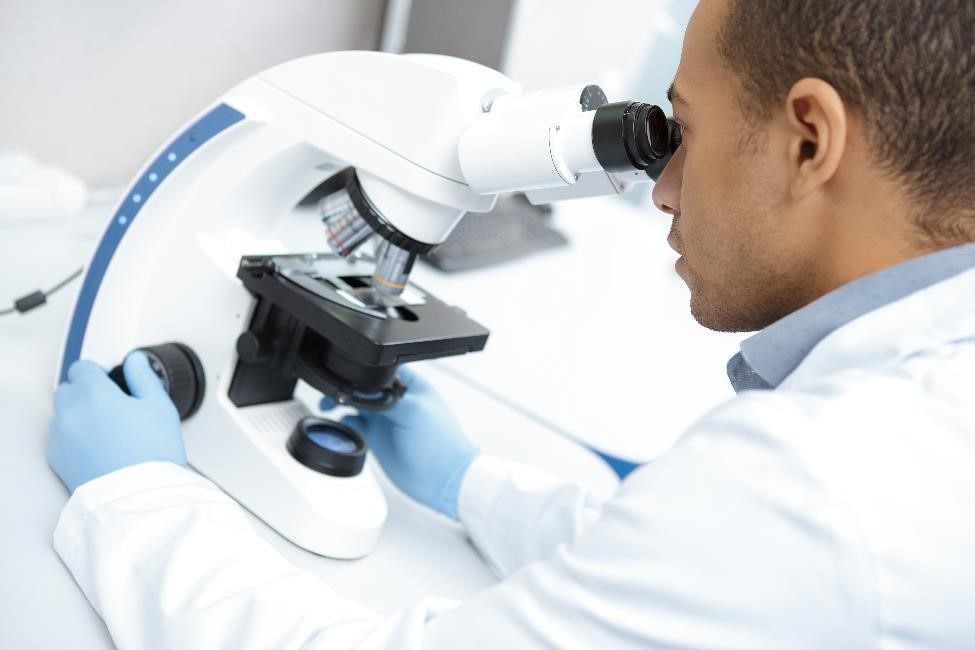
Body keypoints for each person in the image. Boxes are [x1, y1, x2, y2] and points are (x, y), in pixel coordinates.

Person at [48, 0, 975, 647]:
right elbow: (699, 580)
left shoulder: (817, 490)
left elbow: (747, 543)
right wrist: (470, 483)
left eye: (681, 131)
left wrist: (138, 503)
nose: (660, 188)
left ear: (809, 139)